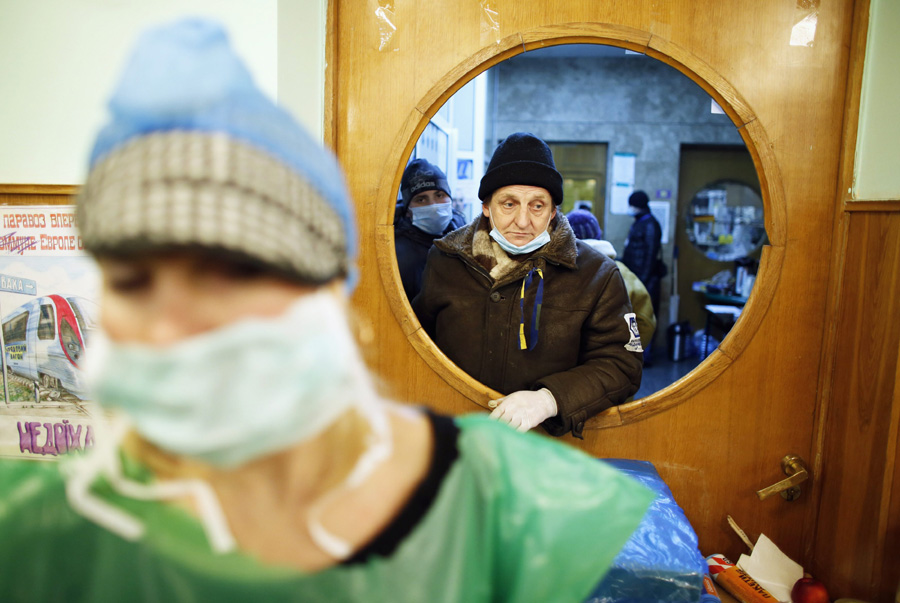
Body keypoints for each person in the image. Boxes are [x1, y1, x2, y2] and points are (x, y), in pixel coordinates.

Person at [0, 19, 654, 602]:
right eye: (136, 280)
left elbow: (619, 365)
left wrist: (545, 397)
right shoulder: (35, 529)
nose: (177, 323)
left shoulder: (496, 500)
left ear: (325, 303)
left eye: (238, 275)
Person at [413, 132, 644, 439]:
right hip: (456, 442)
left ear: (552, 212)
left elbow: (622, 364)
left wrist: (549, 399)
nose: (523, 221)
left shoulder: (596, 274)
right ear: (486, 206)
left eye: (537, 206)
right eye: (509, 204)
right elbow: (416, 347)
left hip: (544, 450)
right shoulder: (446, 261)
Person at [567, 209, 656, 350]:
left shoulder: (552, 272)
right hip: (610, 363)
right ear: (598, 235)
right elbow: (645, 322)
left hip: (566, 365)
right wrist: (627, 353)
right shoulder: (621, 272)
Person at [394, 159, 466, 300]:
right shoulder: (397, 254)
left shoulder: (464, 235)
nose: (433, 205)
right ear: (408, 210)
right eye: (421, 199)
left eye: (439, 195)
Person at [621, 190, 664, 318]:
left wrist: (641, 281)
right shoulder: (639, 222)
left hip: (644, 280)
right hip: (634, 276)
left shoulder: (650, 225)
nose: (630, 208)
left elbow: (650, 255)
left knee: (642, 317)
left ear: (638, 206)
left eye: (632, 205)